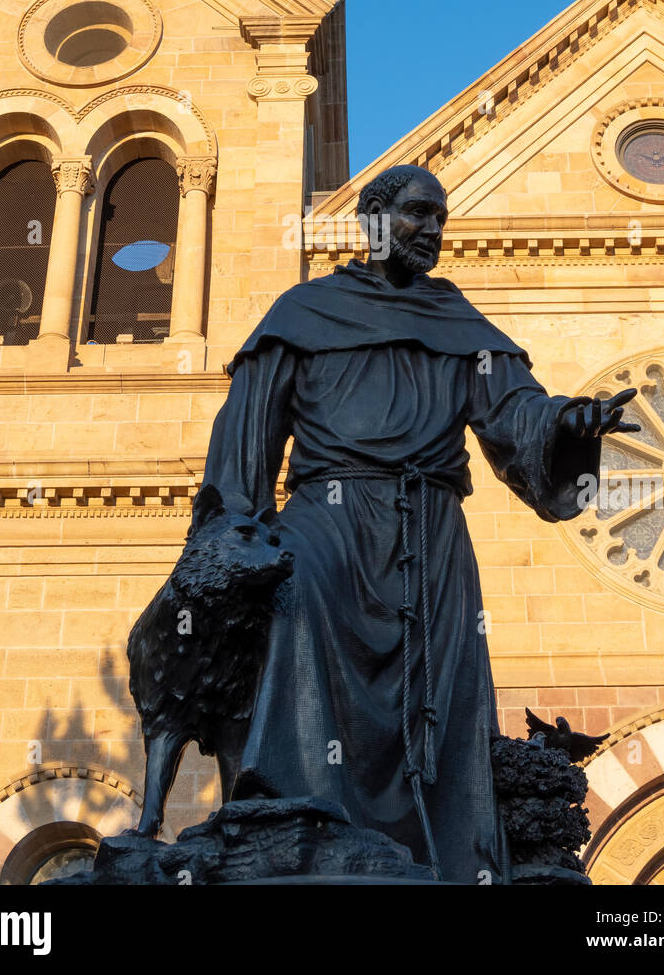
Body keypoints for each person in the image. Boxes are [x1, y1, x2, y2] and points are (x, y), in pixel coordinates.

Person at [198, 165, 638, 883]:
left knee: (438, 694)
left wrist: (567, 420)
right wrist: (234, 529)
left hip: (430, 531)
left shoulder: (455, 321)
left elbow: (512, 411)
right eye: (418, 214)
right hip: (327, 518)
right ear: (373, 218)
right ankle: (296, 820)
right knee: (294, 599)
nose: (434, 229)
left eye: (440, 218)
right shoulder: (302, 312)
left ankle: (438, 858)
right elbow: (247, 430)